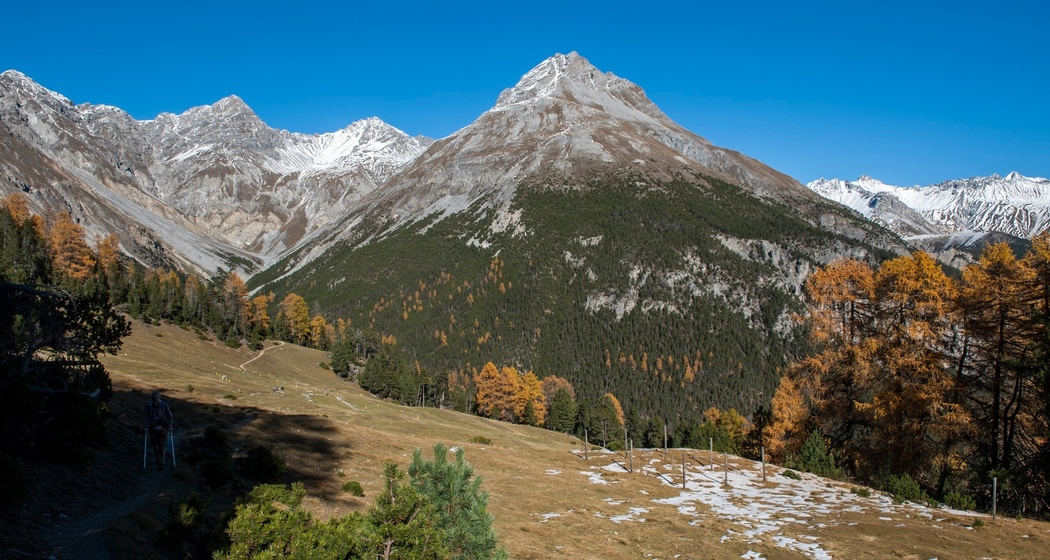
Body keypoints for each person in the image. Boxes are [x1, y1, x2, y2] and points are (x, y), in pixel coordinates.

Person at [144, 391, 173, 470]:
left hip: (163, 428)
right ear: (152, 398)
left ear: (159, 398)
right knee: (155, 445)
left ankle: (161, 462)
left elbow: (169, 416)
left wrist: (170, 426)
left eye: (157, 398)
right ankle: (158, 459)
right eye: (154, 398)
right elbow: (146, 416)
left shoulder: (164, 405)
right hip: (152, 428)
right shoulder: (149, 406)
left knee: (161, 445)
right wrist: (146, 426)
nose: (156, 399)